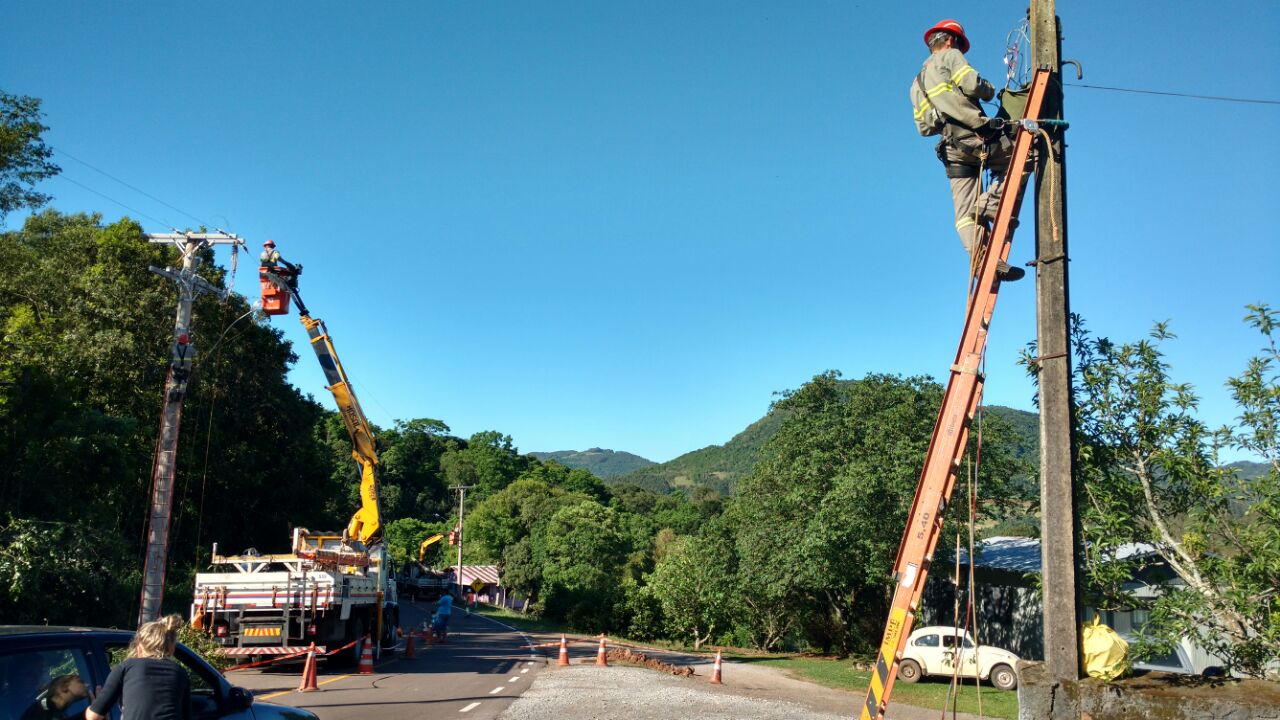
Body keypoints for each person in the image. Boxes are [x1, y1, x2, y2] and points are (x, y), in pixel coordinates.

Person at [909, 19, 1024, 282]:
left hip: (952, 149)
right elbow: (973, 85)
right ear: (951, 40)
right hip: (977, 137)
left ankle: (983, 261)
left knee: (964, 214)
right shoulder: (950, 56)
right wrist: (989, 90)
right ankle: (989, 204)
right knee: (1024, 158)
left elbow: (923, 128)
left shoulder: (916, 84)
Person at [86, 615, 191, 720]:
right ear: (172, 649)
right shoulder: (180, 672)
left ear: (139, 646)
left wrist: (94, 706)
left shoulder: (127, 667)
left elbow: (93, 717)